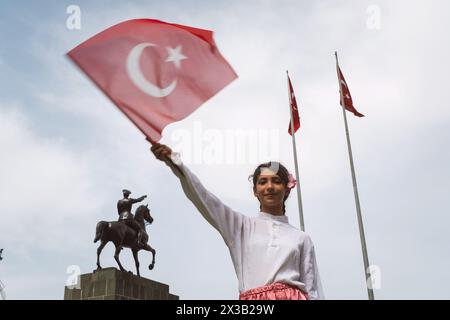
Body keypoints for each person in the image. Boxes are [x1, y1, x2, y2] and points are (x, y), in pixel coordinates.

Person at [150, 143, 324, 300]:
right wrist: (175, 163)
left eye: (276, 181)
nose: (269, 187)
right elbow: (204, 198)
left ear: (286, 189)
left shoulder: (301, 238)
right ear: (255, 191)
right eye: (263, 182)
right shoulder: (240, 227)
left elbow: (312, 289)